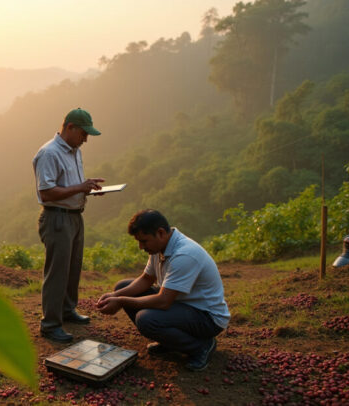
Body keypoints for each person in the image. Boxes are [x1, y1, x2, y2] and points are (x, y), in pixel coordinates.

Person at [96, 209, 230, 371]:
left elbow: (163, 301)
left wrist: (120, 301)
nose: (141, 247)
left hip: (206, 317)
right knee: (122, 287)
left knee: (146, 320)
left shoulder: (184, 255)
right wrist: (115, 295)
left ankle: (200, 347)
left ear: (160, 233)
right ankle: (169, 341)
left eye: (144, 241)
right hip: (181, 305)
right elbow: (146, 279)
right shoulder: (160, 247)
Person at [32, 107, 105, 343]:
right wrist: (80, 187)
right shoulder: (49, 153)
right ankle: (50, 324)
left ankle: (67, 310)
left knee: (73, 267)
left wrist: (87, 188)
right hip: (57, 217)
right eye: (83, 133)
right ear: (70, 127)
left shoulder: (74, 151)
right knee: (57, 271)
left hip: (74, 215)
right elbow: (46, 192)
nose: (85, 139)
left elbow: (71, 185)